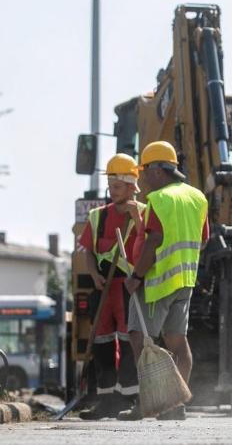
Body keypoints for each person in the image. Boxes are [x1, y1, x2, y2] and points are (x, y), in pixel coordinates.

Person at [117, 141, 209, 421]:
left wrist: (136, 276)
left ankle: (150, 404)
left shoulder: (158, 199)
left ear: (159, 170)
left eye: (145, 170)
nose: (143, 177)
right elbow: (203, 240)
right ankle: (175, 406)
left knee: (139, 339)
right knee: (178, 344)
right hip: (184, 281)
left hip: (155, 283)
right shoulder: (197, 198)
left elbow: (154, 240)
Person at [77, 154, 143, 420]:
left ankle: (130, 398)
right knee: (103, 343)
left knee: (129, 344)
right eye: (111, 186)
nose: (111, 191)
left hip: (128, 289)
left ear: (130, 186)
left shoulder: (143, 212)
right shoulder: (97, 217)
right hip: (102, 288)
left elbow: (148, 242)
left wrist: (136, 218)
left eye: (117, 186)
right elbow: (88, 252)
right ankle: (105, 400)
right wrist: (93, 275)